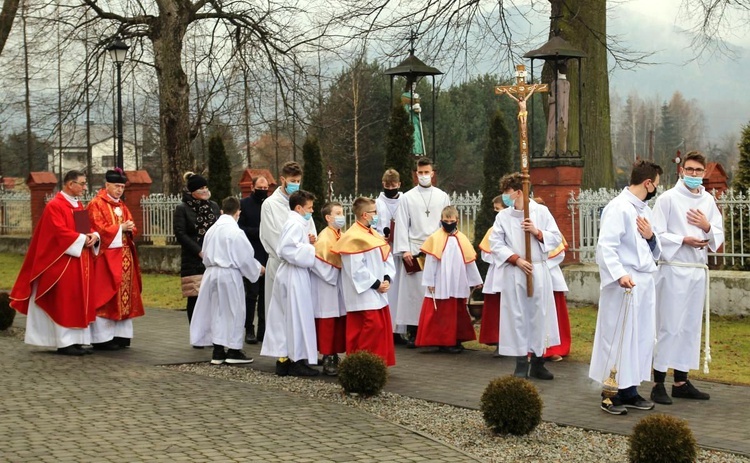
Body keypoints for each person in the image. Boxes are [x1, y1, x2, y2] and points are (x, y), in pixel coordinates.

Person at [589, 160, 663, 416]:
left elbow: (655, 248)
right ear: (648, 183)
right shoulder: (618, 208)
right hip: (624, 283)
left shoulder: (645, 210)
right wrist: (619, 274)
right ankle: (610, 393)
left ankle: (630, 389)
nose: (657, 189)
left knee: (640, 338)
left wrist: (651, 237)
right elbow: (606, 246)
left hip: (643, 282)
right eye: (657, 184)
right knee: (619, 337)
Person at [650, 151, 724, 405]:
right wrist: (683, 239)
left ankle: (681, 380)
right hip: (673, 269)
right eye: (690, 170)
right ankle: (658, 381)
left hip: (696, 270)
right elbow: (655, 234)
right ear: (682, 171)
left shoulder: (708, 201)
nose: (694, 175)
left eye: (698, 171)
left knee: (690, 326)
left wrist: (706, 227)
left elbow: (718, 234)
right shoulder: (668, 199)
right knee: (669, 325)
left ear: (704, 173)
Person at [10, 169, 100, 356]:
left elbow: (84, 228)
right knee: (64, 301)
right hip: (62, 262)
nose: (85, 187)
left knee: (77, 300)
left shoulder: (77, 204)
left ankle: (77, 340)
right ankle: (64, 342)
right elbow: (58, 233)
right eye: (82, 183)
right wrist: (82, 239)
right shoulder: (55, 205)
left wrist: (93, 235)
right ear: (70, 184)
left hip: (79, 260)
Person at [489, 173, 562, 380]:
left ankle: (538, 361)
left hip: (537, 269)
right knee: (517, 316)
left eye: (507, 193)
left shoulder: (541, 212)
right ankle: (521, 362)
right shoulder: (503, 217)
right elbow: (496, 243)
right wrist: (516, 259)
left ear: (518, 192)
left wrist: (537, 232)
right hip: (516, 272)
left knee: (539, 315)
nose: (505, 197)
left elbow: (556, 237)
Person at [190, 197, 265, 365]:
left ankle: (218, 350)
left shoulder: (212, 230)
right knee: (233, 311)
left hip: (211, 273)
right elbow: (244, 257)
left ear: (222, 210)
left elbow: (205, 252)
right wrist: (258, 269)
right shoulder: (235, 232)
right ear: (238, 212)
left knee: (216, 311)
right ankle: (233, 350)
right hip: (228, 274)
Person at [260, 190, 320, 377]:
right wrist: (310, 248)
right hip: (293, 274)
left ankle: (286, 359)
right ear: (299, 207)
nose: (312, 211)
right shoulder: (295, 223)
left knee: (287, 317)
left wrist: (306, 242)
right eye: (309, 208)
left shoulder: (296, 222)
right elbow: (285, 249)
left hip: (293, 272)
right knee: (296, 316)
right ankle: (295, 360)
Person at [393, 157, 451, 347]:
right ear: (416, 174)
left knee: (434, 291)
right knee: (413, 293)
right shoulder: (407, 197)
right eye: (421, 173)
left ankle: (435, 332)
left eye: (427, 172)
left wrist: (443, 246)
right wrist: (405, 250)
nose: (424, 176)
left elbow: (446, 221)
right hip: (414, 249)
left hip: (435, 248)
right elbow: (401, 224)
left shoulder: (442, 196)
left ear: (433, 173)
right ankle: (414, 332)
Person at [332, 197, 396, 366]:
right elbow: (356, 269)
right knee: (368, 328)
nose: (377, 215)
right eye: (374, 212)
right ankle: (360, 365)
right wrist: (376, 284)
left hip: (378, 290)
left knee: (380, 328)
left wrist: (387, 278)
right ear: (364, 214)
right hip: (364, 293)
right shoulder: (352, 237)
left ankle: (377, 364)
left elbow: (386, 257)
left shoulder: (373, 233)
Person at [87, 168, 145, 350]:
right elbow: (97, 229)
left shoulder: (122, 206)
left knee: (124, 296)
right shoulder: (96, 204)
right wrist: (120, 227)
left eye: (122, 186)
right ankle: (103, 338)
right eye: (116, 186)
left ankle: (121, 335)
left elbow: (132, 227)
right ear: (107, 185)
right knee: (106, 296)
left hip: (125, 256)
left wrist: (129, 228)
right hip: (106, 257)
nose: (120, 190)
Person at [415, 206, 482, 352]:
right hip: (441, 281)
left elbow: (469, 260)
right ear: (441, 220)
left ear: (457, 220)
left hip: (457, 281)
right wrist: (430, 282)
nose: (449, 223)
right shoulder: (435, 238)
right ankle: (445, 342)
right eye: (446, 220)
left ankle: (456, 339)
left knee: (457, 311)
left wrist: (476, 280)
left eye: (451, 221)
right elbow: (431, 262)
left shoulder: (462, 238)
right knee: (443, 312)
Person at [259, 162, 317, 330]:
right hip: (281, 264)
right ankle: (282, 354)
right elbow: (272, 237)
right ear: (282, 179)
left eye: (298, 181)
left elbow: (311, 230)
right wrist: (300, 249)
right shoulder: (270, 204)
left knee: (299, 312)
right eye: (292, 180)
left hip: (300, 267)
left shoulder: (302, 202)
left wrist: (311, 240)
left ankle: (298, 351)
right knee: (280, 311)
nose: (296, 184)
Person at [173, 172, 220, 328]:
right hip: (193, 259)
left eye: (206, 187)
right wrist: (199, 251)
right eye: (201, 188)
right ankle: (196, 333)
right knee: (195, 296)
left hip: (212, 258)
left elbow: (219, 228)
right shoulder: (183, 208)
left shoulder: (213, 206)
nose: (205, 190)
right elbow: (180, 233)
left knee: (212, 297)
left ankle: (211, 331)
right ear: (193, 191)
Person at [310, 202, 347, 376]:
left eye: (342, 212)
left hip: (338, 285)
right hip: (327, 286)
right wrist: (335, 274)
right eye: (338, 213)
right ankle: (327, 356)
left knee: (338, 320)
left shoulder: (341, 234)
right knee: (327, 321)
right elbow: (318, 264)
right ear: (328, 217)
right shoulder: (324, 238)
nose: (342, 216)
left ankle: (335, 354)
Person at [375, 168, 406, 342]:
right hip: (384, 251)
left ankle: (399, 330)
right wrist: (382, 236)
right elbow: (372, 226)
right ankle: (387, 329)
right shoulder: (377, 203)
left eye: (393, 185)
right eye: (387, 185)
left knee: (400, 291)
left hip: (399, 251)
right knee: (388, 290)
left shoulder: (405, 201)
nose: (390, 187)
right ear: (383, 184)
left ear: (399, 184)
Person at [238, 176, 269, 344]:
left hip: (268, 254)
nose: (263, 190)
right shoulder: (244, 204)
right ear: (252, 187)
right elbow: (239, 227)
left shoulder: (269, 204)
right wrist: (258, 232)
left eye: (266, 188)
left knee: (266, 295)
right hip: (252, 254)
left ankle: (263, 330)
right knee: (252, 294)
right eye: (260, 187)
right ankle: (249, 328)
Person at [478, 196, 504, 349]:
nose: (496, 213)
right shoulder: (492, 230)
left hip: (511, 272)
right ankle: (497, 341)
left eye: (498, 209)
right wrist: (502, 257)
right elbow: (485, 253)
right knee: (496, 311)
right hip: (496, 273)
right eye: (495, 210)